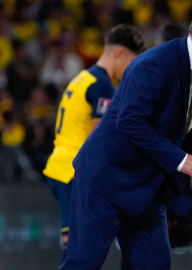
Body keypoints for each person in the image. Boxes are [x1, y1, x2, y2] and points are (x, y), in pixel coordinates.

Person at [61, 4, 192, 270]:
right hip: (107, 179)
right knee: (84, 264)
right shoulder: (154, 63)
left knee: (154, 265)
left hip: (146, 187)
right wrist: (180, 159)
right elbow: (129, 121)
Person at [43, 24, 146, 266]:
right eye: (133, 60)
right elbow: (100, 137)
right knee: (76, 248)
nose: (132, 68)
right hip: (72, 172)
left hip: (59, 165)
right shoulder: (102, 85)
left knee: (75, 247)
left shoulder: (82, 78)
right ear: (120, 53)